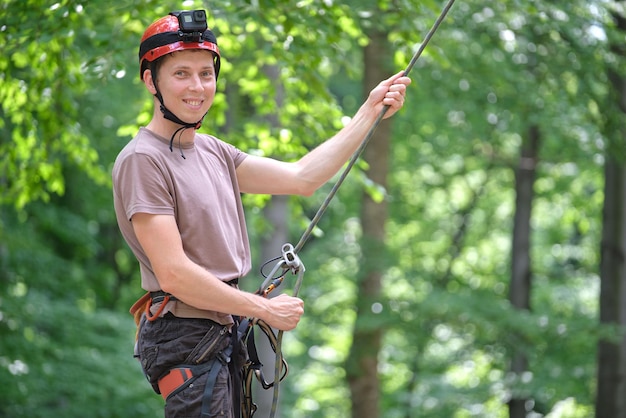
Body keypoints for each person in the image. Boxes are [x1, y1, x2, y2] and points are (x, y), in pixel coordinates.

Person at [112, 9, 411, 418]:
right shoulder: (143, 160)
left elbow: (303, 177)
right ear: (152, 81)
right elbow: (174, 273)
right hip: (186, 336)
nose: (197, 86)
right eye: (181, 73)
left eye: (206, 73)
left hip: (222, 332)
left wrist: (368, 113)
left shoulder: (213, 151)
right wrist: (265, 309)